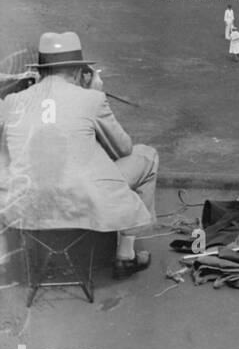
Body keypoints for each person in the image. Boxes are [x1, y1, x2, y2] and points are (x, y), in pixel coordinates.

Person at [0, 32, 157, 278]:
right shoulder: (91, 99)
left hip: (25, 205)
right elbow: (123, 149)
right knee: (147, 156)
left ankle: (5, 257)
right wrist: (96, 93)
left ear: (40, 70)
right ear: (77, 71)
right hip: (81, 199)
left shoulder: (11, 101)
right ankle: (125, 255)